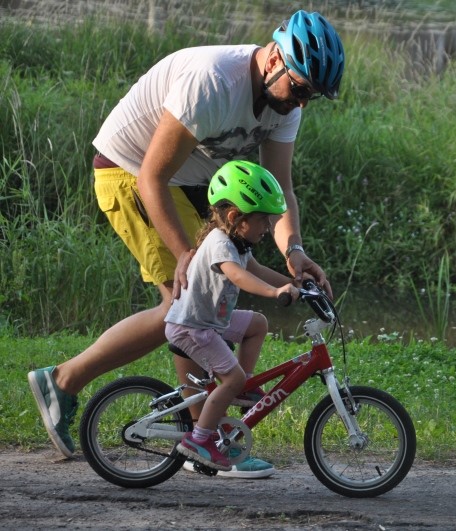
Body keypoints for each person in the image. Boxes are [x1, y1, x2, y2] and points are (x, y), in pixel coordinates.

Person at [27, 10, 344, 478]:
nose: (303, 102)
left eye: (313, 96)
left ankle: (201, 437)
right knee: (181, 305)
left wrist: (294, 252)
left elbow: (281, 190)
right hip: (131, 171)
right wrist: (185, 256)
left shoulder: (285, 106)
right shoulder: (214, 81)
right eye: (300, 89)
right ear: (275, 57)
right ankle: (65, 381)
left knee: (200, 308)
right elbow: (152, 175)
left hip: (192, 182)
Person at [168, 161, 298, 470]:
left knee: (257, 324)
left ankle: (244, 385)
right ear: (234, 218)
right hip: (191, 328)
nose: (268, 228)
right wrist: (273, 293)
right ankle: (199, 439)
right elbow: (238, 277)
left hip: (209, 323)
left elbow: (256, 269)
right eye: (264, 221)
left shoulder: (237, 243)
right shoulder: (220, 243)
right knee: (232, 376)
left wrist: (294, 283)